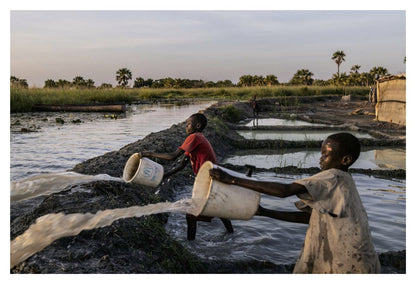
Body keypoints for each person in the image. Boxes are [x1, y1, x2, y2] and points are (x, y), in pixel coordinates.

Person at [209, 132, 380, 273]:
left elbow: (284, 191)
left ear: (345, 160)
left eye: (326, 155)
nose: (321, 159)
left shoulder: (332, 176)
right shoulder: (345, 181)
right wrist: (265, 212)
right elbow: (310, 218)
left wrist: (232, 179)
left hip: (347, 260)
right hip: (358, 258)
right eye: (321, 154)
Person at [138, 113, 233, 240]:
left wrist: (148, 153)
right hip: (212, 179)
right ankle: (231, 234)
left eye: (188, 124)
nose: (186, 127)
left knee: (191, 214)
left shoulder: (194, 137)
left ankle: (191, 245)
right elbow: (182, 165)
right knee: (218, 209)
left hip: (208, 181)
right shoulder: (197, 139)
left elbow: (172, 156)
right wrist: (164, 176)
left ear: (197, 125)